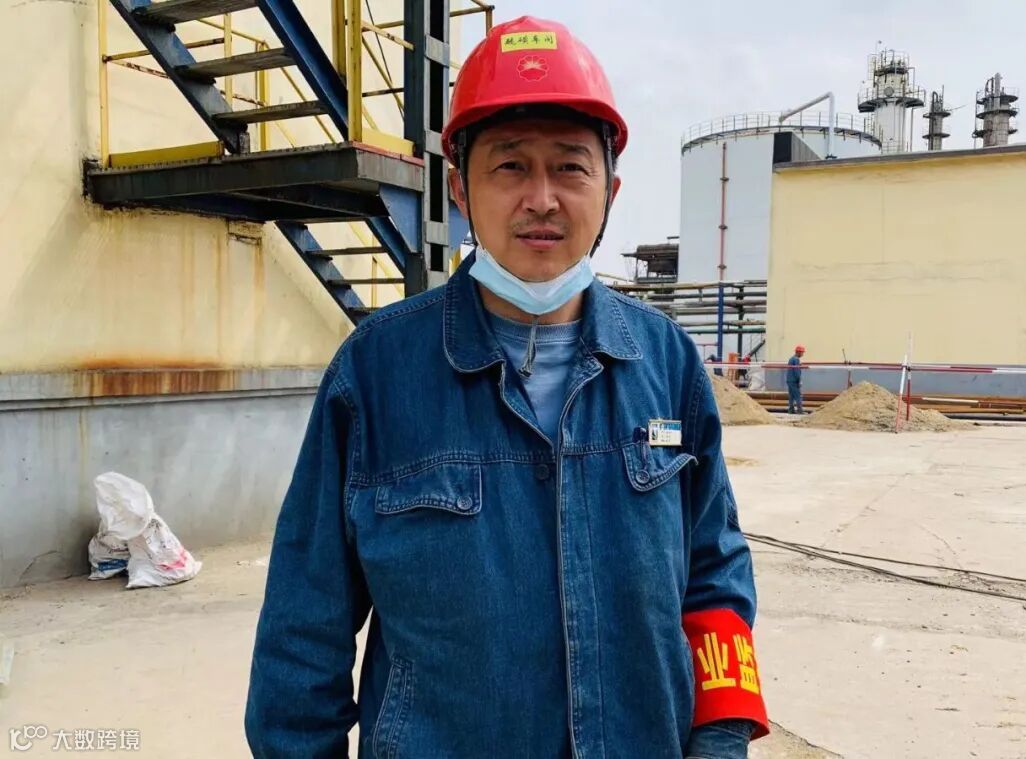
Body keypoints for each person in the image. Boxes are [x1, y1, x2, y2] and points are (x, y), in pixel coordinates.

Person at [245, 16, 767, 759]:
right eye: (511, 166)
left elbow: (716, 580)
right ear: (460, 187)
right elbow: (304, 626)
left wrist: (719, 745)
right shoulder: (374, 375)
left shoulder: (669, 364)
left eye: (571, 167)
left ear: (610, 189)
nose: (542, 198)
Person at [787, 345, 806, 414]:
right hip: (794, 381)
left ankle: (791, 410)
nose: (803, 354)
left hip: (789, 380)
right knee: (798, 395)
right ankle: (800, 410)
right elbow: (796, 371)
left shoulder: (791, 359)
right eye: (802, 352)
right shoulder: (796, 359)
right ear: (798, 352)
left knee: (791, 396)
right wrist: (799, 380)